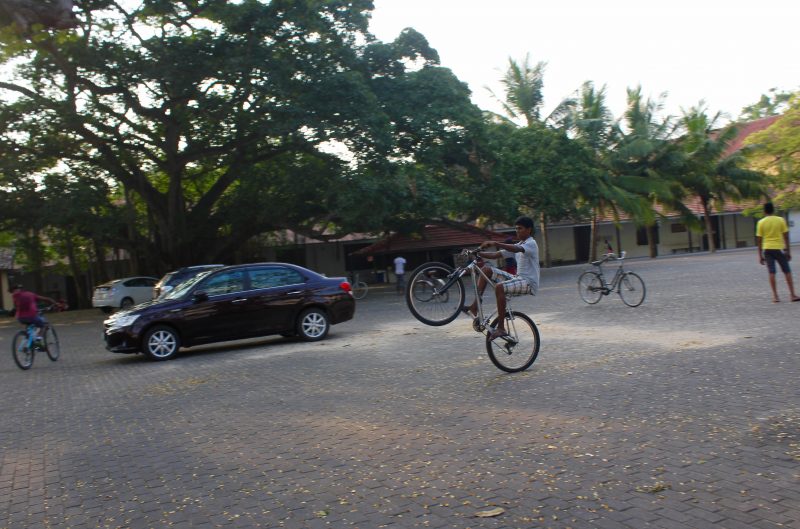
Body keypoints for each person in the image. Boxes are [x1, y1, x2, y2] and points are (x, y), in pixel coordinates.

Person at [463, 216, 540, 340]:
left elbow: (516, 249)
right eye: (516, 228)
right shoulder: (520, 244)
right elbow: (496, 254)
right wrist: (476, 253)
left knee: (499, 288)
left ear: (529, 230)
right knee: (486, 270)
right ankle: (474, 307)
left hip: (528, 283)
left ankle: (501, 328)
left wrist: (496, 243)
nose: (517, 231)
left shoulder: (531, 243)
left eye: (520, 228)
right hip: (517, 278)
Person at [756, 202, 800, 303]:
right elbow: (786, 236)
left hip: (767, 249)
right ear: (773, 210)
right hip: (779, 248)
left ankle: (775, 297)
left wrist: (760, 255)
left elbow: (759, 240)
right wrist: (787, 251)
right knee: (787, 271)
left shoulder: (761, 223)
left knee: (772, 272)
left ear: (764, 211)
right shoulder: (780, 220)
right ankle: (792, 295)